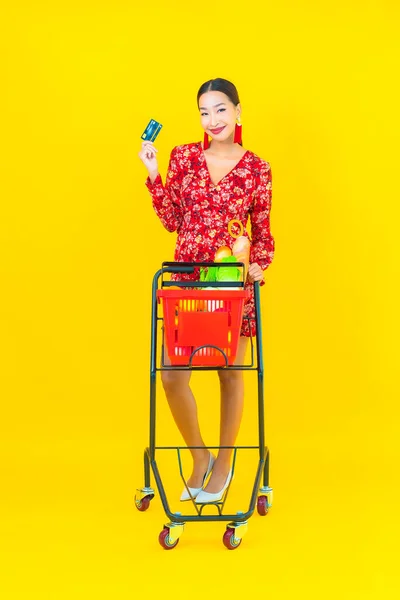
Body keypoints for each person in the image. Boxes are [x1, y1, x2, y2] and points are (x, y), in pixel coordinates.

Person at [138, 78, 275, 503]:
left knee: (231, 374)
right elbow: (173, 220)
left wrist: (257, 264)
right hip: (186, 283)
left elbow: (264, 236)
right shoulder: (183, 157)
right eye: (203, 112)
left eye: (219, 109)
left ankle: (226, 462)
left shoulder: (258, 169)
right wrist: (153, 173)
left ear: (237, 111)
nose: (212, 120)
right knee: (172, 376)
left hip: (231, 284)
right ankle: (200, 457)